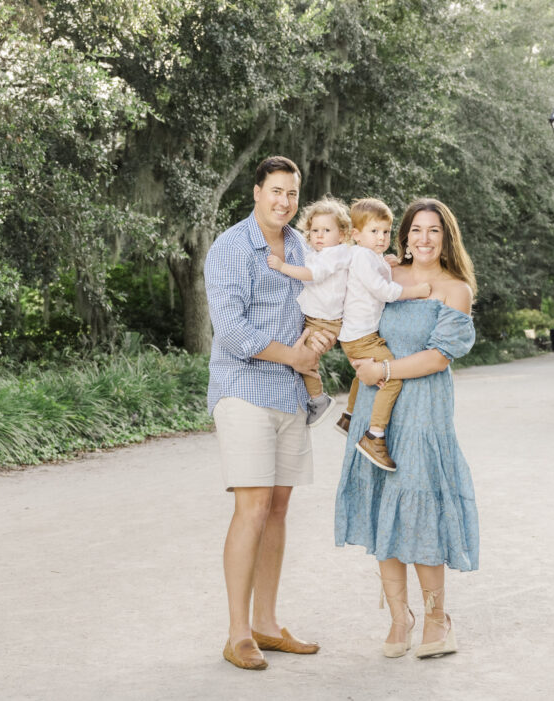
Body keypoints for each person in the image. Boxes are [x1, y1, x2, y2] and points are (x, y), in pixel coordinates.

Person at [334, 198, 480, 660]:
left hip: (422, 411)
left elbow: (440, 356)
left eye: (434, 230)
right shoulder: (384, 275)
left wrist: (385, 370)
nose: (424, 238)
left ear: (446, 237)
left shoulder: (455, 289)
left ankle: (438, 618)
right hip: (377, 410)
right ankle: (400, 618)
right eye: (416, 229)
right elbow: (350, 313)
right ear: (404, 236)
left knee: (419, 509)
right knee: (384, 510)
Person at [204, 156, 334, 671]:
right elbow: (232, 333)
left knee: (279, 509)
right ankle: (237, 634)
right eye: (275, 191)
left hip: (288, 393)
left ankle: (267, 623)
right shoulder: (232, 248)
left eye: (292, 194)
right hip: (243, 389)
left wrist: (319, 338)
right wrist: (294, 355)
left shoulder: (302, 248)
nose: (284, 202)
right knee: (252, 507)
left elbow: (316, 306)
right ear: (256, 192)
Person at [336, 199, 430, 471]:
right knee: (391, 377)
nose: (382, 238)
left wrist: (387, 263)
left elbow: (377, 275)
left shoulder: (370, 257)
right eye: (374, 232)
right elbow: (383, 291)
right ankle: (374, 435)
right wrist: (415, 291)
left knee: (363, 374)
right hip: (362, 337)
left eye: (386, 232)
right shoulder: (362, 257)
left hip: (357, 334)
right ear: (356, 234)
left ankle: (349, 416)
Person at [265, 195, 354, 427]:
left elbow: (311, 274)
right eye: (315, 230)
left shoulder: (333, 256)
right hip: (318, 319)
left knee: (304, 359)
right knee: (303, 356)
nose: (320, 235)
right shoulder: (324, 253)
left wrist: (283, 267)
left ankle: (318, 399)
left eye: (326, 230)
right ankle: (315, 397)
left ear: (342, 235)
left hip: (324, 322)